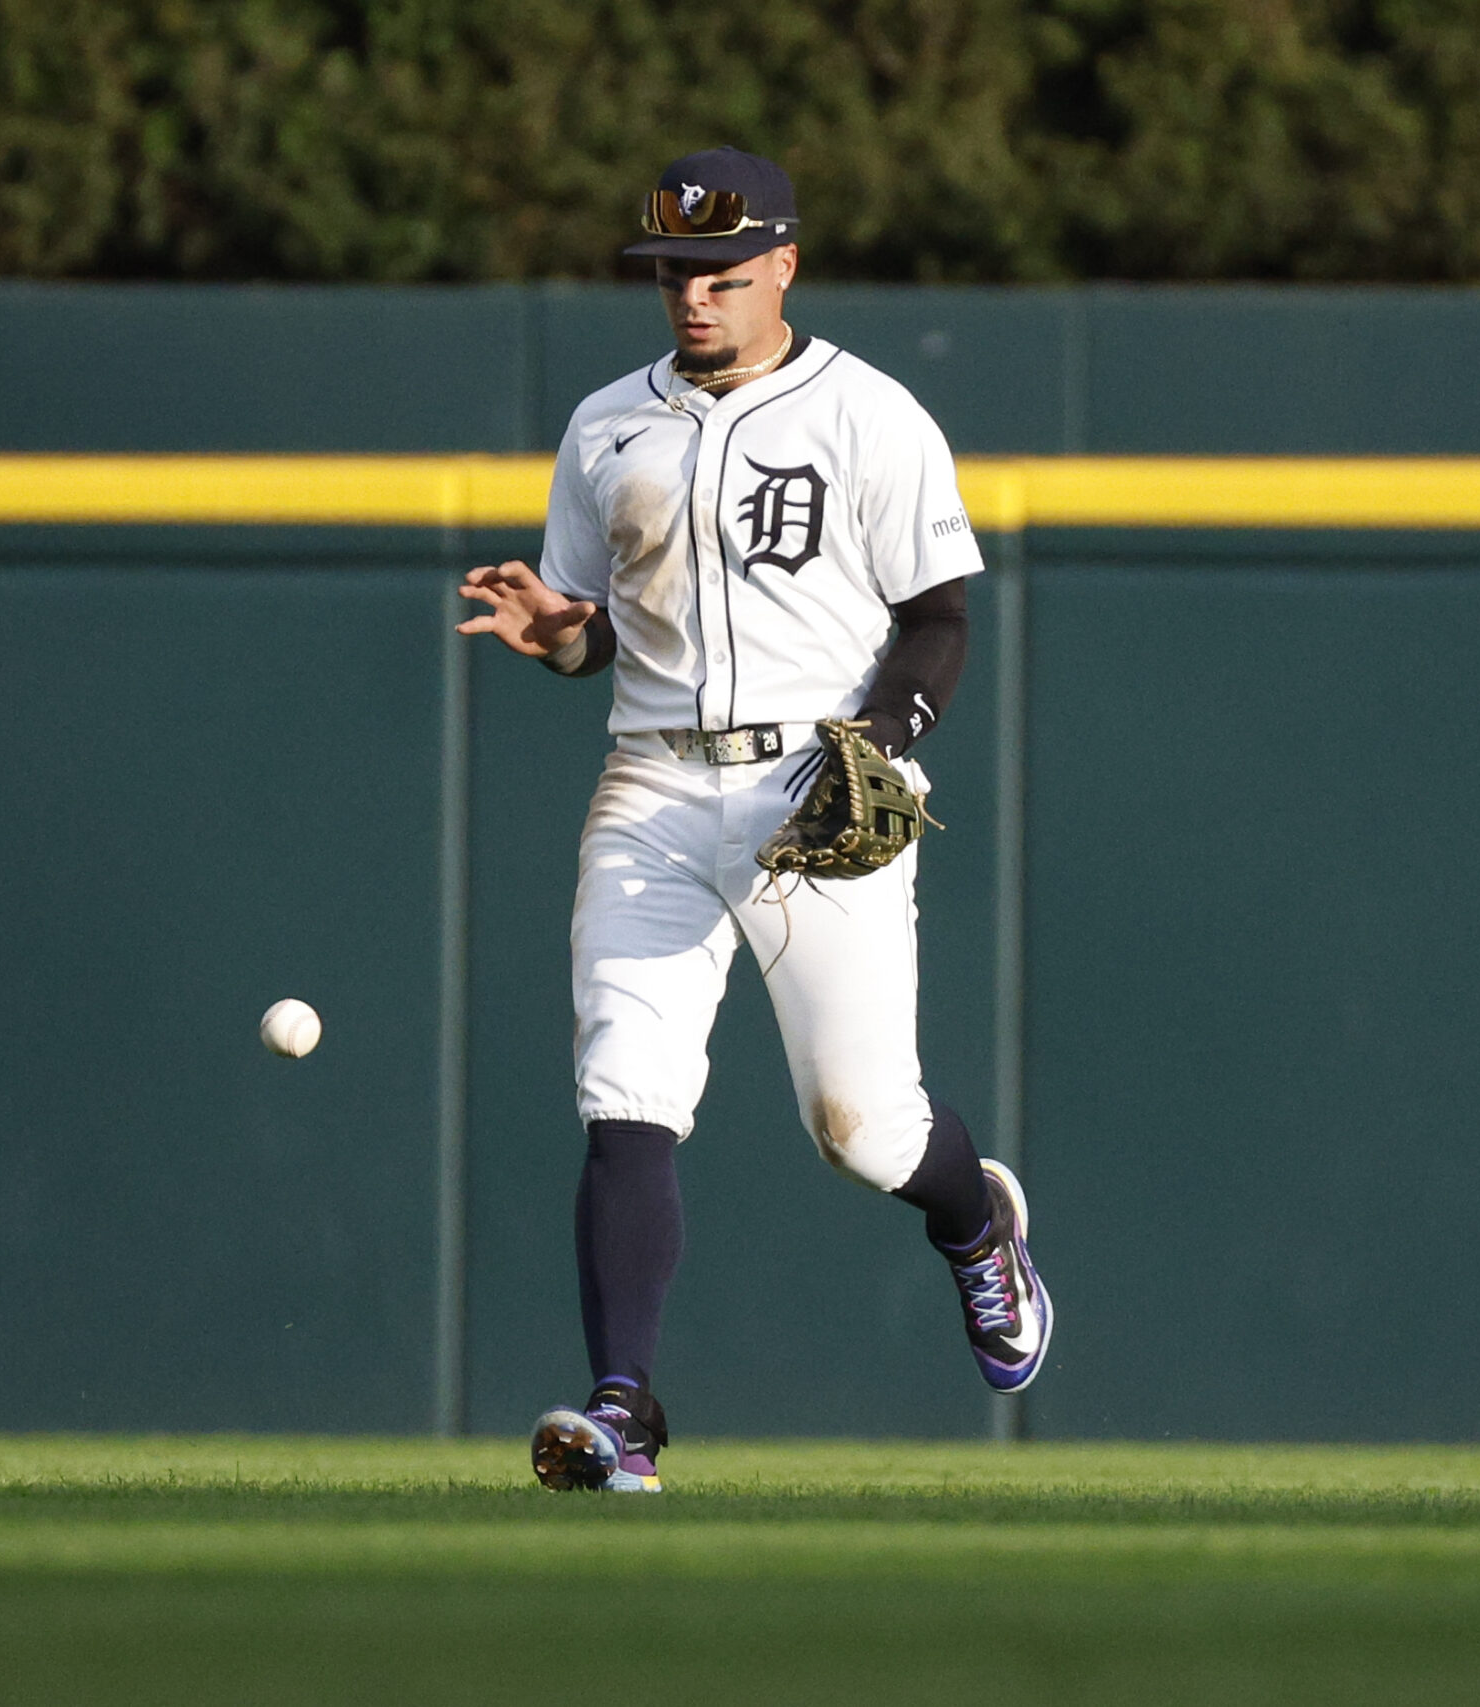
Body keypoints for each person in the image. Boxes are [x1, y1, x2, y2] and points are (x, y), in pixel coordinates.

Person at [455, 147, 1051, 1493]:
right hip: (652, 784)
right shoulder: (611, 422)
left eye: (721, 270)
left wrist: (882, 742)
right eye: (671, 271)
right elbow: (598, 630)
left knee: (866, 1131)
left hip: (813, 785)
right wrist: (560, 636)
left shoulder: (870, 415)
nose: (693, 296)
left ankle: (975, 1222)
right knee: (626, 1091)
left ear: (785, 262)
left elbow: (938, 616)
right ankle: (623, 1416)